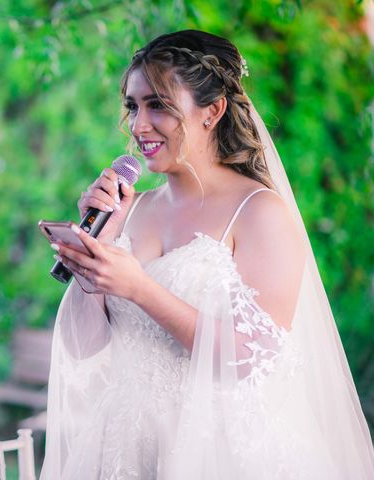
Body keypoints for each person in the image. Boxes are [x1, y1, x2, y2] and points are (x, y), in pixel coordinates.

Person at [40, 30, 374, 479]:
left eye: (157, 104)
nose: (139, 125)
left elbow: (252, 358)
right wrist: (95, 253)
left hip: (218, 454)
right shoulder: (128, 209)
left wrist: (140, 288)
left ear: (212, 110)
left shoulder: (258, 213)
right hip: (124, 450)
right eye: (133, 106)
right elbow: (84, 347)